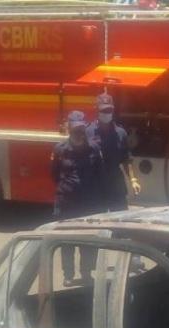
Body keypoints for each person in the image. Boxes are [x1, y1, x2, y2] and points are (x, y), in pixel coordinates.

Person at [51, 110, 104, 286]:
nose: (78, 132)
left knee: (88, 241)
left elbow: (100, 173)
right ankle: (68, 274)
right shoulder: (59, 150)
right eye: (75, 129)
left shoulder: (94, 148)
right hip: (67, 203)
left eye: (81, 129)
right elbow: (53, 174)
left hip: (89, 204)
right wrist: (66, 188)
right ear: (69, 129)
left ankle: (87, 273)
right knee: (67, 241)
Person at [86, 93, 141, 212]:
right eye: (104, 110)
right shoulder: (88, 132)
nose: (107, 113)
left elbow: (126, 159)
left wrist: (133, 180)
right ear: (97, 109)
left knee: (119, 219)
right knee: (96, 220)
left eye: (109, 110)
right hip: (96, 185)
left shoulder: (120, 133)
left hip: (116, 184)